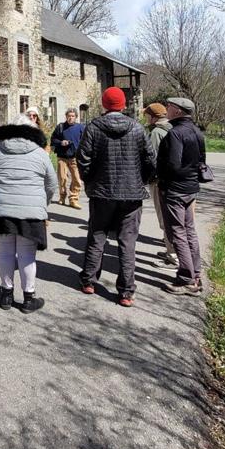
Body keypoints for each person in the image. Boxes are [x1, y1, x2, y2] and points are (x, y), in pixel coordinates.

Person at [77, 87, 156, 307]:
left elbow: (83, 158)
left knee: (97, 236)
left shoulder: (93, 128)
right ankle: (126, 292)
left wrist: (90, 181)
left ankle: (89, 281)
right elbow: (151, 160)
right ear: (123, 105)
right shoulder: (138, 129)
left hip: (102, 192)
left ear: (104, 104)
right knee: (127, 242)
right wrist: (141, 180)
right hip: (130, 194)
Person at [0, 114, 58, 312]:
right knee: (27, 255)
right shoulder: (40, 153)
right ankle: (28, 298)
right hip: (30, 211)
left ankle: (6, 295)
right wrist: (43, 202)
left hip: (0, 210)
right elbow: (51, 184)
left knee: (4, 252)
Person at [157, 97, 205, 296]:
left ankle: (186, 279)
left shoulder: (176, 133)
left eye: (169, 107)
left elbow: (173, 164)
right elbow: (202, 160)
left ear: (177, 110)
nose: (166, 109)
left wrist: (163, 180)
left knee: (178, 232)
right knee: (190, 231)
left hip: (175, 189)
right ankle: (196, 273)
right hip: (191, 187)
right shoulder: (196, 131)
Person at [143, 103, 178, 267]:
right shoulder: (172, 127)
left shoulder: (156, 132)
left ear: (153, 116)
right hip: (174, 180)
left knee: (164, 218)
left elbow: (152, 159)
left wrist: (147, 178)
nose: (146, 118)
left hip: (159, 181)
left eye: (147, 115)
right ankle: (171, 248)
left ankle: (172, 255)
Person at [50, 107, 85, 209]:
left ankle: (73, 199)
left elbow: (85, 141)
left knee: (77, 179)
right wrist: (61, 142)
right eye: (69, 116)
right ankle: (62, 196)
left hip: (75, 157)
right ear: (66, 116)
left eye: (73, 116)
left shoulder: (80, 128)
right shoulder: (60, 127)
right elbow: (53, 140)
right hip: (62, 157)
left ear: (76, 117)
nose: (70, 118)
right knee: (62, 178)